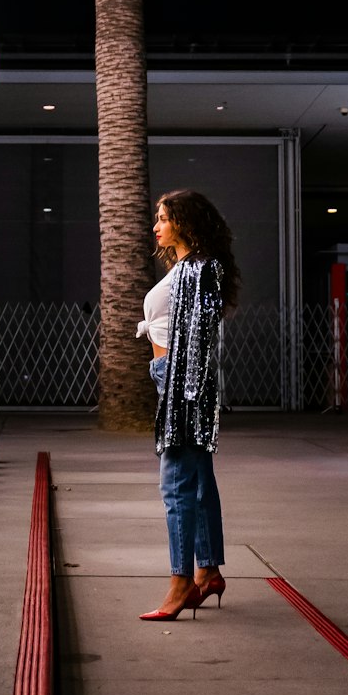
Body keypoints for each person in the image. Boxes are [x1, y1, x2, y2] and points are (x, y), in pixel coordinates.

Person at [136, 189, 239, 621]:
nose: (156, 226)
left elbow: (200, 339)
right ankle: (207, 570)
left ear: (185, 221)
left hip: (183, 387)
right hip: (174, 381)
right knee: (198, 483)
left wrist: (185, 397)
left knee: (175, 487)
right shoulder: (185, 269)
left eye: (163, 218)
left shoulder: (203, 269)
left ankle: (180, 583)